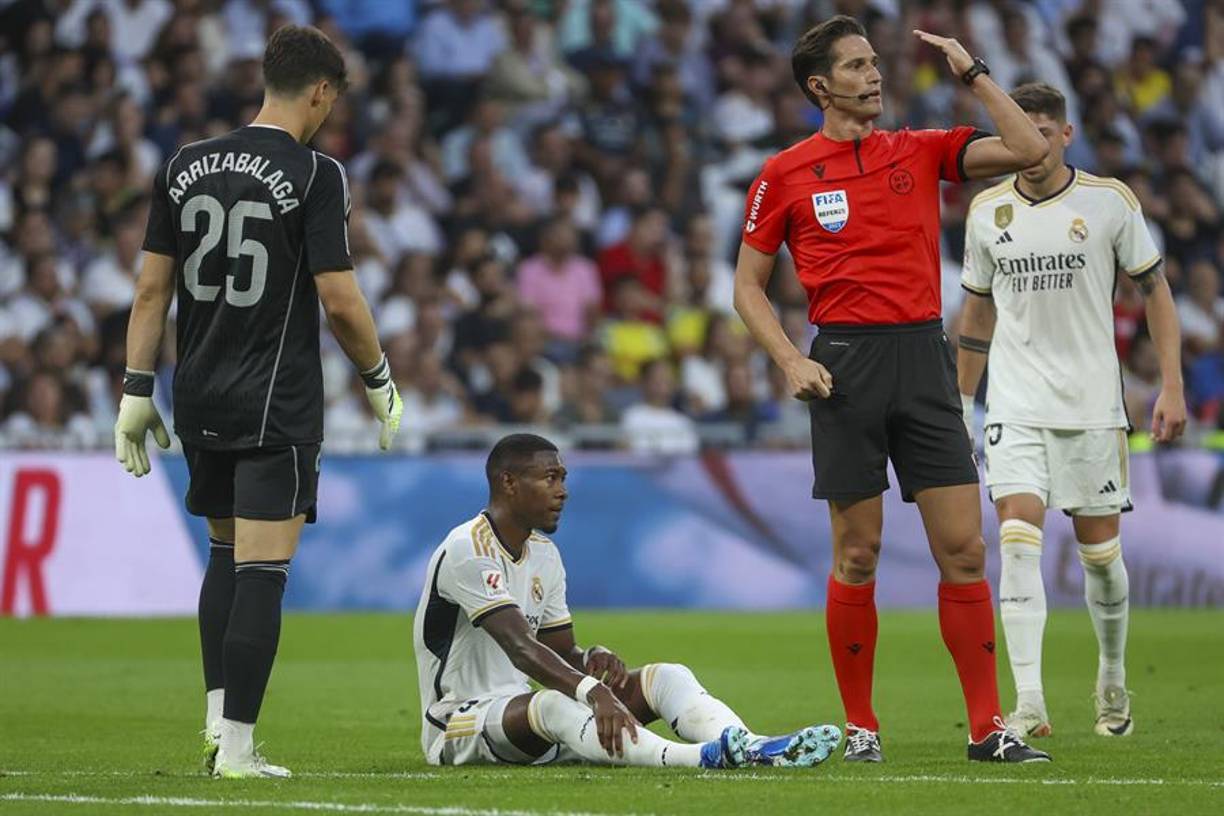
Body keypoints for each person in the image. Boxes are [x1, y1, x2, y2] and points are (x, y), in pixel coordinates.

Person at [732, 15, 1051, 763]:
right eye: (856, 66)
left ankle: (985, 731)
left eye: (875, 63)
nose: (874, 76)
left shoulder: (920, 149)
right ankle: (861, 727)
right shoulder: (784, 172)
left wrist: (971, 71)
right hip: (843, 367)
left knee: (966, 550)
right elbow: (747, 287)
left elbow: (1033, 150)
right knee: (859, 555)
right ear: (820, 87)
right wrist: (788, 360)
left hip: (923, 359)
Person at [113, 25, 405, 778]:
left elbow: (151, 288)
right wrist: (378, 379)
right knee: (263, 570)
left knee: (223, 554)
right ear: (319, 90)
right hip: (275, 403)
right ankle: (239, 747)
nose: (332, 112)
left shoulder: (184, 165)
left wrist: (135, 392)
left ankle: (218, 726)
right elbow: (339, 301)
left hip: (199, 393)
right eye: (333, 98)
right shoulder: (316, 174)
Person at [957, 82, 1187, 739]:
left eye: (1040, 135)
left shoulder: (1109, 202)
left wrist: (1170, 385)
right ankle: (1028, 700)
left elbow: (1156, 290)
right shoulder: (987, 211)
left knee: (1101, 560)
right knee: (1018, 542)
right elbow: (977, 310)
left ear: (1065, 135)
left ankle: (1111, 674)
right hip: (1017, 402)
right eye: (1016, 136)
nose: (1027, 148)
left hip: (1092, 406)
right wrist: (962, 400)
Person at [413, 433, 842, 769]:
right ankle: (701, 758)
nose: (563, 490)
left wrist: (591, 659)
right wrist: (594, 692)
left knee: (666, 676)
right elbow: (522, 649)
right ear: (508, 482)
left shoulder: (543, 553)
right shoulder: (469, 547)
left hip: (521, 723)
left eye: (563, 477)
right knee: (555, 704)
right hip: (457, 725)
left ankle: (748, 746)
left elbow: (560, 653)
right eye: (550, 478)